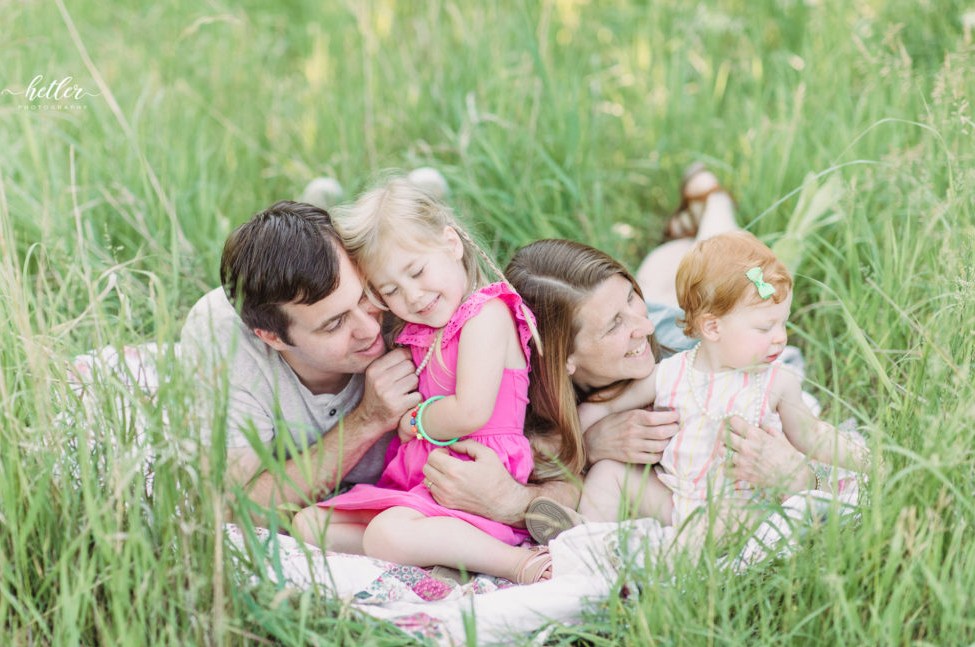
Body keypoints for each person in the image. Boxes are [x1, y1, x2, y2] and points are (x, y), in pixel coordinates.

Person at [421, 166, 839, 541]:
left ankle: (710, 194)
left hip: (675, 312)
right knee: (664, 266)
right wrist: (586, 445)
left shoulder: (699, 350)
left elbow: (814, 450)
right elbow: (547, 465)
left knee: (711, 250)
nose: (641, 326)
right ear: (564, 358)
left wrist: (806, 475)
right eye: (613, 325)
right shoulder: (512, 393)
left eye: (628, 299)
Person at [294, 178, 553, 584]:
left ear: (451, 243)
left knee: (386, 534)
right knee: (309, 524)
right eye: (391, 290)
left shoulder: (485, 314)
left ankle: (519, 563)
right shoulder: (423, 328)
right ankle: (444, 554)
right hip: (423, 482)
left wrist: (412, 422)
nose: (412, 296)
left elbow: (470, 411)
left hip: (473, 477)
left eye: (417, 271)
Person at [576, 230, 869, 532]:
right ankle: (593, 542)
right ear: (713, 328)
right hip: (675, 497)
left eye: (784, 322)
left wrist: (871, 461)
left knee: (728, 519)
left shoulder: (776, 381)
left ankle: (673, 560)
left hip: (742, 506)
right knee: (608, 474)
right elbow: (604, 408)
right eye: (765, 327)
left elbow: (812, 435)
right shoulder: (669, 373)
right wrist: (584, 438)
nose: (781, 337)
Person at [180, 201, 421, 517]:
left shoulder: (404, 292)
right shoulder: (220, 336)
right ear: (273, 337)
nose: (369, 328)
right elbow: (234, 508)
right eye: (334, 324)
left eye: (364, 296)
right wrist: (367, 420)